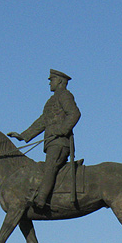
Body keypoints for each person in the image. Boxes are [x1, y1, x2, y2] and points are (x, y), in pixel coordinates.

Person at [8, 69, 81, 209]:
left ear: (59, 81)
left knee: (50, 167)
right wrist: (23, 135)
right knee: (47, 168)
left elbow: (74, 113)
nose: (49, 83)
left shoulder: (65, 95)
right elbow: (43, 121)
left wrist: (61, 130)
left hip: (60, 142)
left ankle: (41, 199)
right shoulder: (53, 99)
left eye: (51, 80)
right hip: (52, 142)